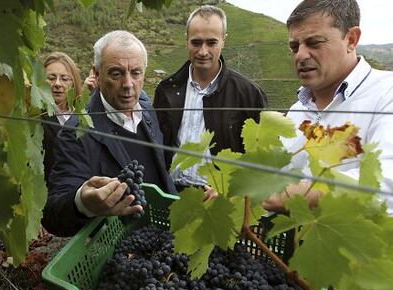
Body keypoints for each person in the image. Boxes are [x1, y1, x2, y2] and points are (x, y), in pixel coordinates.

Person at [262, 0, 393, 216]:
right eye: (294, 47)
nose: (300, 56)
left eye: (314, 43)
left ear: (351, 39)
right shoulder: (297, 111)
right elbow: (275, 181)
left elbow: (386, 185)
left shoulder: (387, 93)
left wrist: (286, 196)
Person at [42, 30, 176, 237]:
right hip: (125, 245)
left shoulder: (147, 110)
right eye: (116, 73)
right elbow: (53, 214)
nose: (128, 84)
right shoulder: (76, 132)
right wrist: (82, 202)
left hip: (167, 231)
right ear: (96, 74)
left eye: (136, 73)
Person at [153, 5, 268, 192]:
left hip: (221, 197)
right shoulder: (166, 89)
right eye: (196, 42)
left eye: (211, 43)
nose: (203, 51)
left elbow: (260, 158)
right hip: (172, 193)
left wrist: (231, 190)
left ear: (224, 40)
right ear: (186, 40)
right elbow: (157, 144)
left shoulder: (248, 94)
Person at [42, 52, 82, 179]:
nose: (58, 84)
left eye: (65, 79)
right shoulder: (33, 117)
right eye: (51, 78)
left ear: (74, 82)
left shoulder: (83, 115)